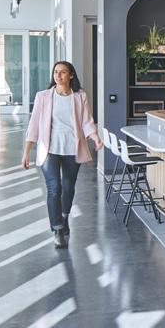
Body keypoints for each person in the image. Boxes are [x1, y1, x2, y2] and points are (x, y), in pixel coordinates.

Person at [22, 61, 103, 249]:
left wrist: (96, 138)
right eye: (55, 72)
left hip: (72, 148)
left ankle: (64, 217)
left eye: (62, 72)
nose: (58, 76)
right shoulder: (43, 97)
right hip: (49, 149)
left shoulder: (80, 96)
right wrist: (26, 152)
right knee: (54, 188)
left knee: (68, 187)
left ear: (71, 75)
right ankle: (57, 229)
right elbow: (34, 125)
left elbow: (87, 122)